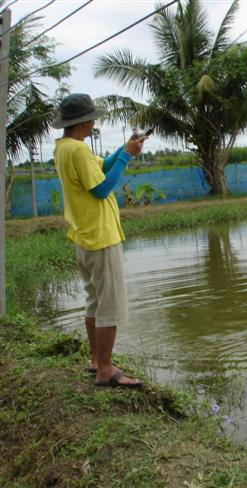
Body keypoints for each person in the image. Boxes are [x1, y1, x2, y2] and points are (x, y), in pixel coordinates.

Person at [53, 93, 146, 388]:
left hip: (84, 235)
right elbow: (102, 188)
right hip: (100, 236)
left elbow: (103, 165)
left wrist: (124, 149)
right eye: (92, 117)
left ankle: (96, 360)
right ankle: (105, 369)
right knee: (110, 304)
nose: (95, 121)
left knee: (94, 300)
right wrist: (128, 156)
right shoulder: (78, 151)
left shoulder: (66, 148)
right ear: (84, 122)